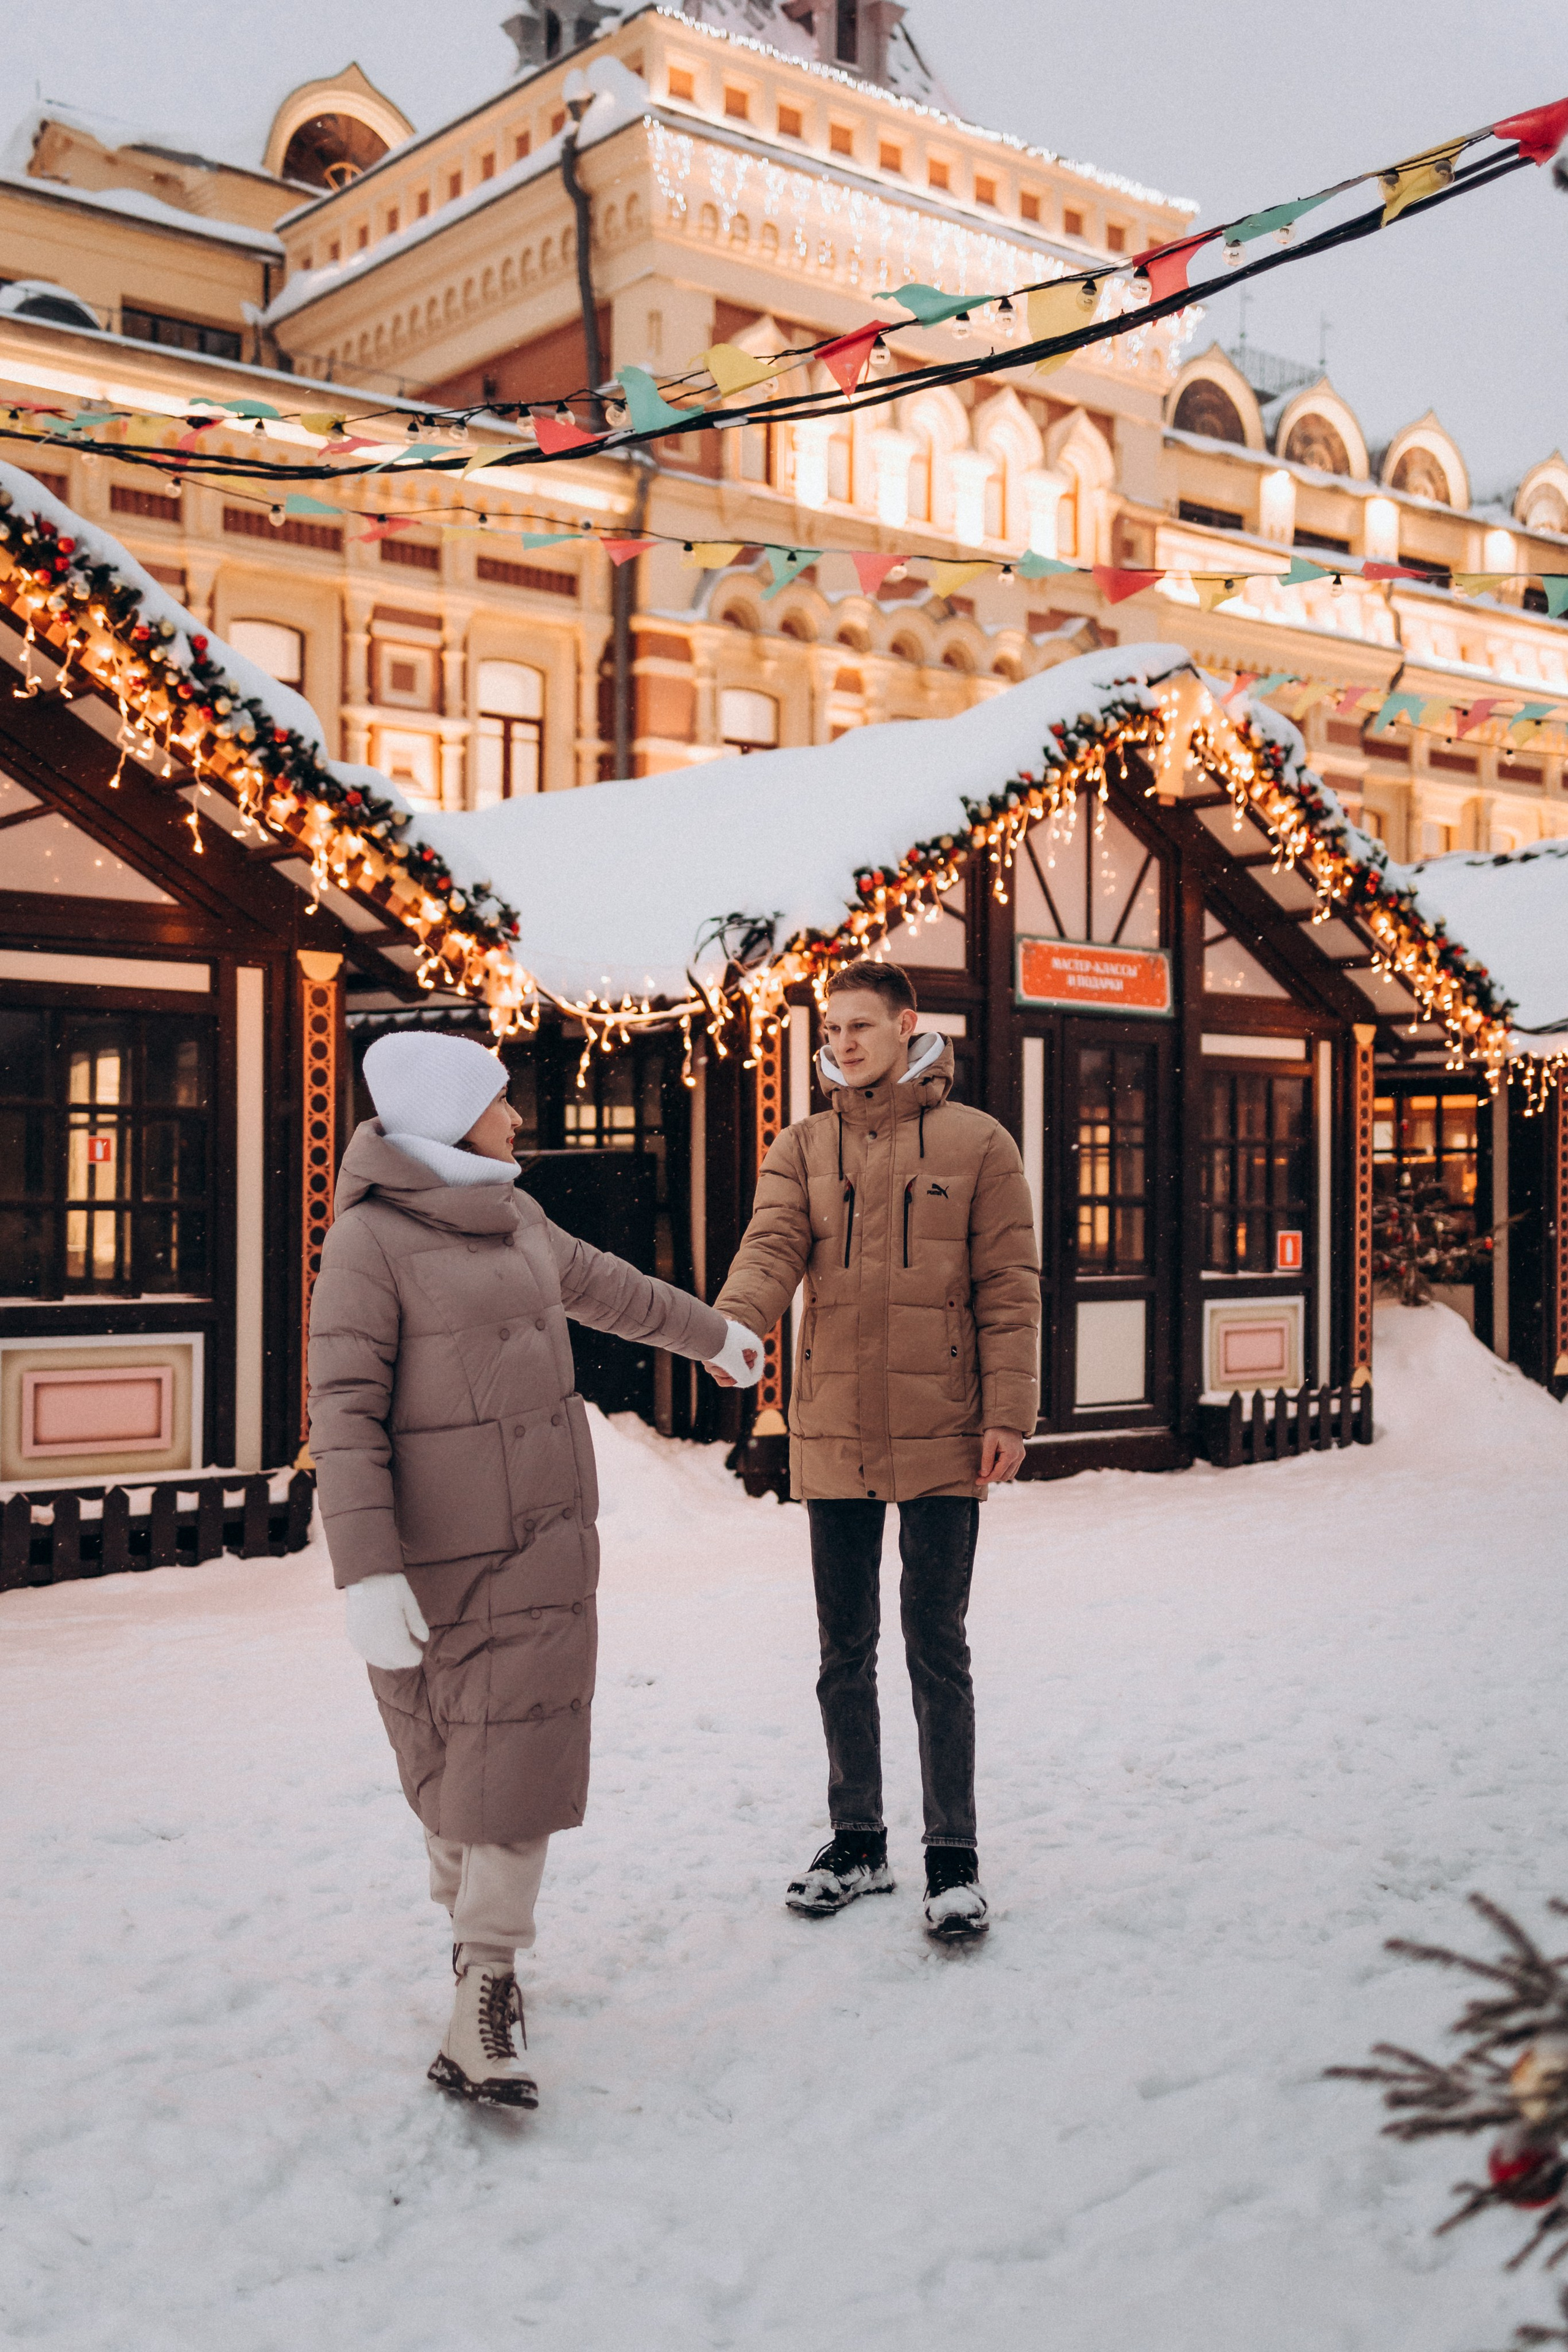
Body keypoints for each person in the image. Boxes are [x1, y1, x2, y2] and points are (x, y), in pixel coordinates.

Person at [308, 1031, 761, 2108]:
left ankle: (486, 1992)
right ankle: (474, 1956)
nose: (519, 1119)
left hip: (542, 1544)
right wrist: (364, 1573)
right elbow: (344, 1415)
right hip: (433, 1555)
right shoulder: (368, 1244)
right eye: (502, 1101)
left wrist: (712, 1337)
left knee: (518, 1760)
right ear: (449, 1113)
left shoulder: (514, 1212)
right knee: (454, 1764)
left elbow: (614, 1289)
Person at [710, 960, 1039, 1940]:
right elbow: (771, 1248)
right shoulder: (802, 1145)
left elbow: (1009, 1287)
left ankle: (954, 1857)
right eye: (832, 1028)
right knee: (842, 1650)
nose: (843, 1043)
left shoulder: (979, 1142)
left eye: (861, 1025)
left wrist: (1009, 1414)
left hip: (945, 1422)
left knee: (937, 1646)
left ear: (907, 1025)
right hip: (835, 1426)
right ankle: (856, 1840)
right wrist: (732, 1326)